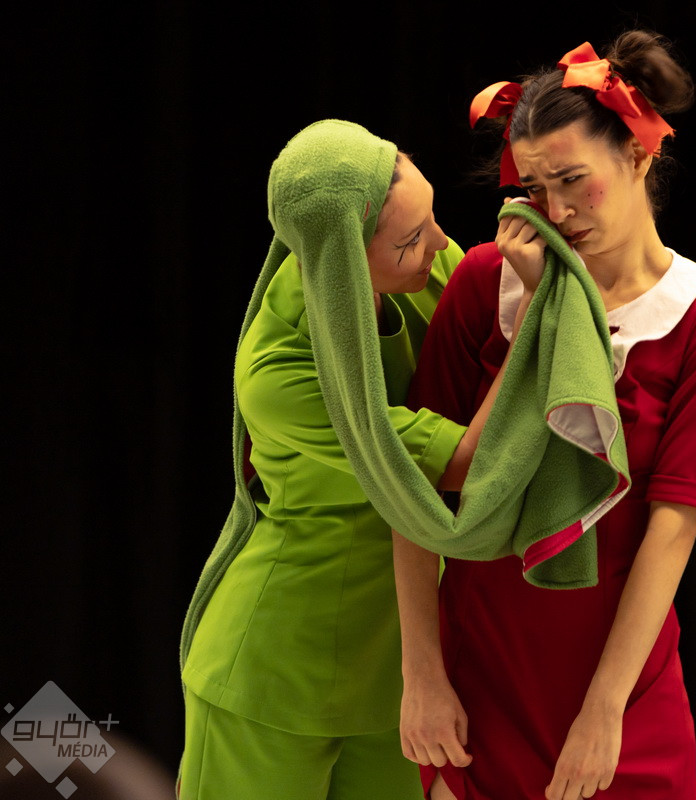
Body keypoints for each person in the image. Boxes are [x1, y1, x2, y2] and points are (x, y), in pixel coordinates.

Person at [395, 32, 696, 800]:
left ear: (638, 153)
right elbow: (413, 488)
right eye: (534, 187)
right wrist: (420, 674)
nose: (556, 211)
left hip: (620, 690)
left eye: (571, 180)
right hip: (479, 681)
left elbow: (674, 525)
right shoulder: (487, 282)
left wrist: (605, 710)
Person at [177, 120, 540, 800]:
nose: (440, 245)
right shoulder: (280, 371)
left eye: (430, 219)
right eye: (410, 240)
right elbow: (466, 463)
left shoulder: (427, 272)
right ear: (342, 258)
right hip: (275, 675)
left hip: (397, 673)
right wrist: (533, 331)